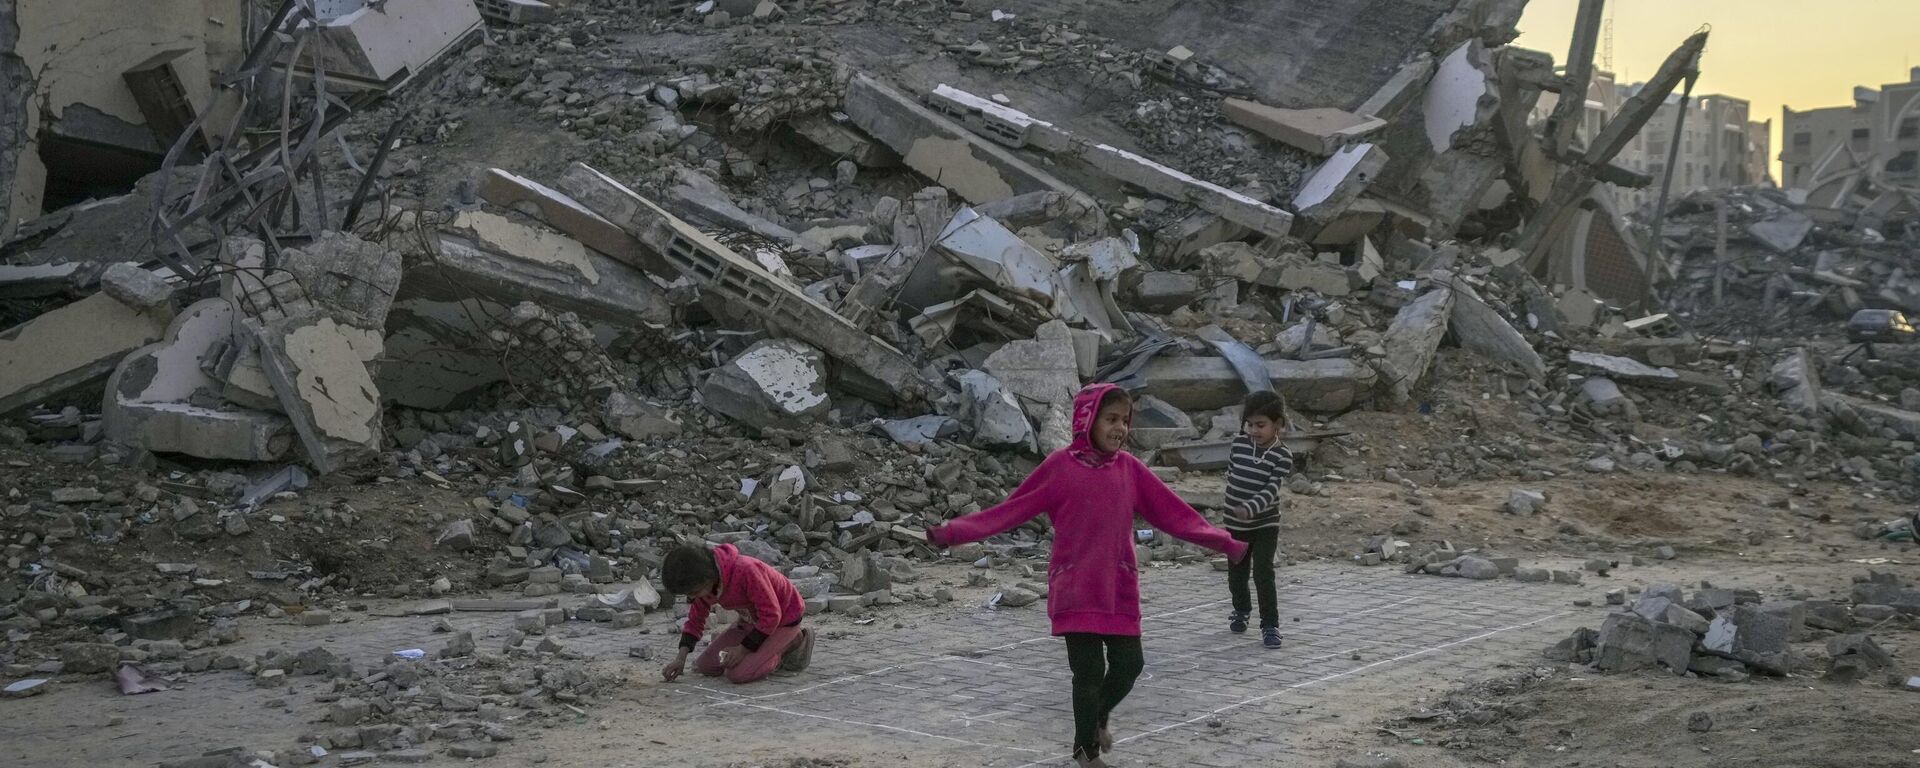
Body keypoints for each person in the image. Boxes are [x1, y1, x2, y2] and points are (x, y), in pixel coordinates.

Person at [927, 383, 1248, 768]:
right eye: (1111, 419)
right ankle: (1086, 751)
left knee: (1130, 666)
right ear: (1087, 420)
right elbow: (1009, 511)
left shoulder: (1130, 469)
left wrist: (1224, 542)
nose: (1119, 428)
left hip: (1118, 587)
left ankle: (1096, 721)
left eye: (1124, 421)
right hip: (1076, 586)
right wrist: (953, 533)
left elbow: (1175, 514)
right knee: (1090, 671)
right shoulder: (1060, 468)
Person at [658, 543, 813, 684]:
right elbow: (695, 620)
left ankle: (795, 641)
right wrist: (680, 658)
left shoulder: (746, 570)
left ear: (708, 578)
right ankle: (760, 646)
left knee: (739, 674)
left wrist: (742, 649)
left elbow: (771, 615)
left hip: (784, 620)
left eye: (694, 592)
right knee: (706, 666)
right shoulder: (706, 586)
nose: (693, 597)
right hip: (752, 621)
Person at [1222, 390, 1294, 649]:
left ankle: (1270, 625)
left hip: (1265, 523)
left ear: (1278, 424)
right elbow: (1232, 476)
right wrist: (1231, 509)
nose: (1253, 430)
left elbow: (1272, 488)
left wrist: (1251, 507)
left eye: (1260, 425)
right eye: (1249, 424)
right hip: (1235, 524)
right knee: (1236, 574)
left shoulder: (1282, 455)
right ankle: (1241, 610)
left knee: (1263, 572)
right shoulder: (1238, 445)